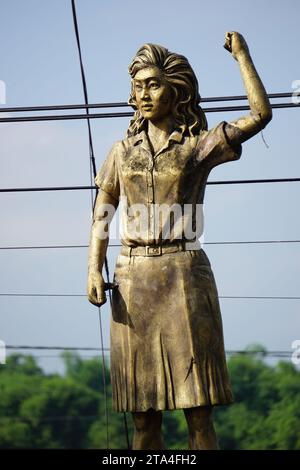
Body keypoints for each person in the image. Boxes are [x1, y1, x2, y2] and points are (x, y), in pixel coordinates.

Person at [87, 32, 272, 450]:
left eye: (154, 84)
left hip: (185, 278)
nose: (145, 94)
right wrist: (91, 268)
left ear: (176, 91)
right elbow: (103, 208)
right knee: (143, 417)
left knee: (199, 414)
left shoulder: (196, 147)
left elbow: (260, 115)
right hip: (132, 282)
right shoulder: (121, 152)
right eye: (139, 87)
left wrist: (242, 56)